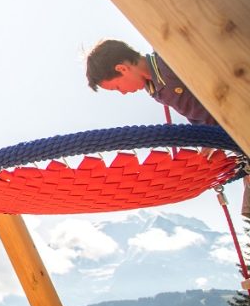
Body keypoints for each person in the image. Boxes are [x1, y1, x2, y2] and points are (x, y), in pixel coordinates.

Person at [86, 39, 249, 214]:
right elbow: (197, 112)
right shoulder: (155, 89)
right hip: (233, 138)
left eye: (117, 87)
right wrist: (208, 141)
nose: (123, 93)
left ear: (122, 69)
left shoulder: (168, 60)